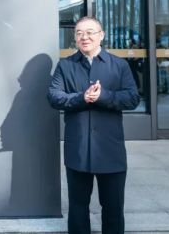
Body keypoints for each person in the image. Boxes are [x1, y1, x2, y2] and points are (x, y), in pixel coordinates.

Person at [47, 16, 139, 234]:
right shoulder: (65, 65)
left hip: (110, 149)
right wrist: (81, 98)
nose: (84, 37)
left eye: (89, 32)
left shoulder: (119, 65)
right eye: (79, 33)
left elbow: (132, 98)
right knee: (78, 208)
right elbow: (54, 96)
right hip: (78, 149)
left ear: (101, 35)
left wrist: (103, 96)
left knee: (113, 208)